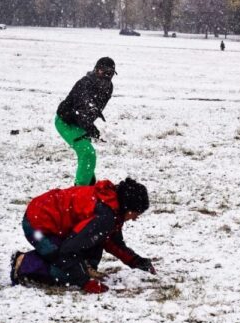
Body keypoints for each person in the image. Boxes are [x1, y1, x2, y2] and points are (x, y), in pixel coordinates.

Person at [10, 178, 155, 293]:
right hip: (38, 225)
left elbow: (111, 241)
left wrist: (136, 261)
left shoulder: (111, 206)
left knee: (90, 245)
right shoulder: (105, 216)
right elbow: (69, 249)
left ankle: (83, 267)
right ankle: (23, 263)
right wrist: (84, 281)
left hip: (51, 219)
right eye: (136, 213)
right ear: (128, 207)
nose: (136, 218)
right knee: (65, 270)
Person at [55, 57, 117, 186]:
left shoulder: (109, 87)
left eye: (109, 73)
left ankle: (89, 186)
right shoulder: (85, 84)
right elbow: (82, 108)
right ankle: (80, 191)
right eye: (102, 71)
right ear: (95, 70)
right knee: (88, 153)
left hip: (81, 123)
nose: (105, 76)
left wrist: (89, 124)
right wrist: (89, 126)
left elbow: (93, 110)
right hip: (66, 121)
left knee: (87, 155)